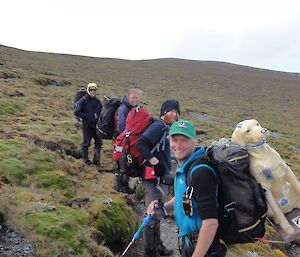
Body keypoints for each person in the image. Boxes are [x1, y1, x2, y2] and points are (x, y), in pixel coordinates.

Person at [147, 120, 227, 257]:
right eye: (174, 139)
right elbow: (184, 196)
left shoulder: (200, 172)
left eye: (184, 140)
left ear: (194, 141)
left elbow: (210, 223)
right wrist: (164, 207)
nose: (178, 145)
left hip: (204, 247)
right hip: (189, 242)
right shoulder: (185, 165)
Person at [136, 99, 180, 257]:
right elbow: (141, 144)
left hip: (159, 177)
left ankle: (158, 246)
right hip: (153, 178)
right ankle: (150, 251)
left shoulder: (165, 128)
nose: (174, 114)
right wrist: (153, 160)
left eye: (176, 111)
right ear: (164, 112)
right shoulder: (158, 126)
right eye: (171, 111)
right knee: (152, 214)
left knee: (157, 212)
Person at [114, 88, 142, 193]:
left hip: (129, 141)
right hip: (122, 141)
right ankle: (119, 187)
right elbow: (122, 127)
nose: (135, 100)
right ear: (128, 97)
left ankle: (125, 186)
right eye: (133, 97)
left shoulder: (133, 108)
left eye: (137, 98)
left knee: (126, 164)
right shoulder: (123, 109)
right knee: (120, 163)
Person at [74, 82, 103, 166]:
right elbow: (77, 111)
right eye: (91, 89)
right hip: (87, 125)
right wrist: (87, 116)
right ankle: (86, 161)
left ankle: (96, 161)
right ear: (88, 90)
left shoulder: (97, 101)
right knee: (86, 143)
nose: (93, 91)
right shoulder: (83, 100)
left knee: (99, 142)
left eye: (94, 89)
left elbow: (101, 112)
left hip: (96, 125)